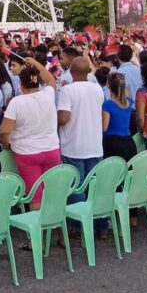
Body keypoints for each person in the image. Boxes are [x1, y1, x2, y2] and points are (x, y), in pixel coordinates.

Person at [0, 61, 59, 214]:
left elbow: (4, 131)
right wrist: (35, 63)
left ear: (20, 84)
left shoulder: (17, 102)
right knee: (52, 193)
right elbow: (51, 80)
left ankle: (36, 237)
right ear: (38, 81)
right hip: (51, 150)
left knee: (35, 196)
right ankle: (58, 231)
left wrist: (6, 144)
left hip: (27, 153)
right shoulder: (48, 95)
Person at [57, 56, 107, 234]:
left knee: (76, 187)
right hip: (94, 144)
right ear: (88, 72)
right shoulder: (98, 89)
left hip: (74, 145)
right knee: (95, 186)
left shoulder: (67, 90)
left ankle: (79, 226)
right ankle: (100, 225)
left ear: (71, 72)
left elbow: (63, 118)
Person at [102, 73, 136, 162]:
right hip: (129, 141)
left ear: (108, 85)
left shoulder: (108, 104)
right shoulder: (129, 103)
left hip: (113, 142)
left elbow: (104, 128)